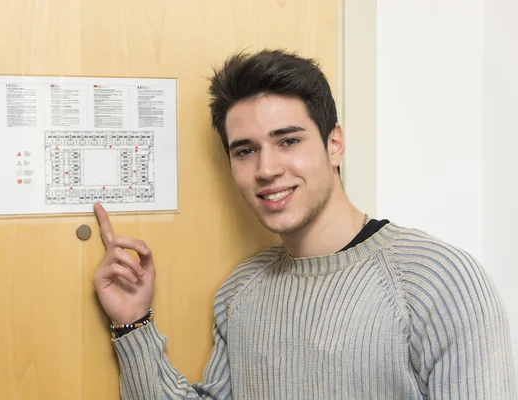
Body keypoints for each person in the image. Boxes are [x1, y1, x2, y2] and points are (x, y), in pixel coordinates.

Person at [92, 49, 516, 399]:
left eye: (288, 141)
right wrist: (133, 323)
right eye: (245, 151)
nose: (267, 169)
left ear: (335, 144)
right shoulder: (240, 291)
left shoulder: (439, 281)